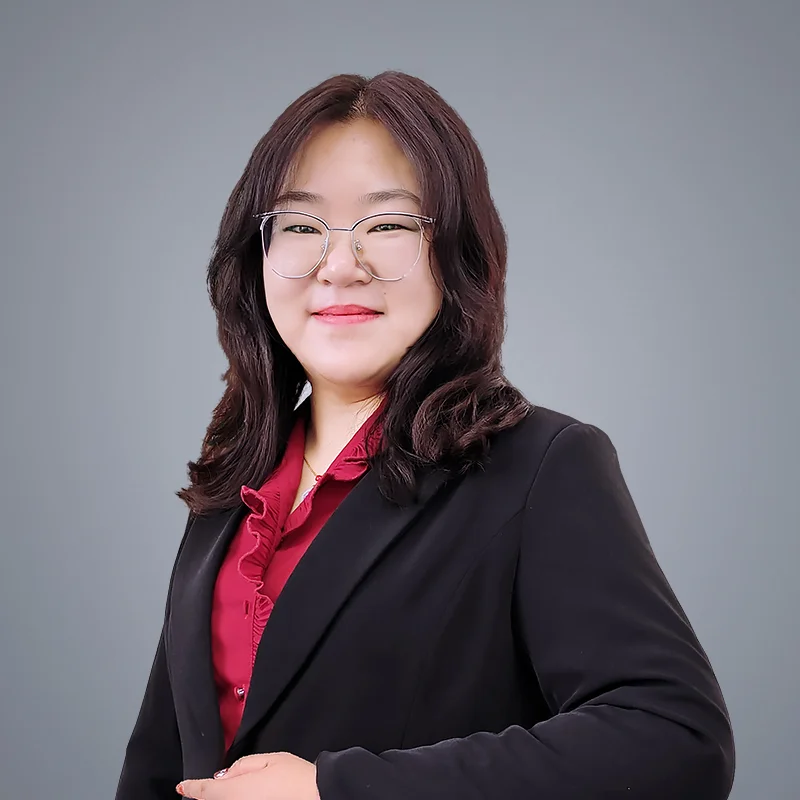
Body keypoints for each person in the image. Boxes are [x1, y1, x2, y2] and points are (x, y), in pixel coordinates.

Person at [115, 71, 735, 800]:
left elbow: (671, 738)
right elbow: (160, 769)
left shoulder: (542, 468)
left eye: (388, 226)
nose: (339, 265)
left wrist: (335, 791)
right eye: (301, 227)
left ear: (455, 254)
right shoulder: (230, 492)